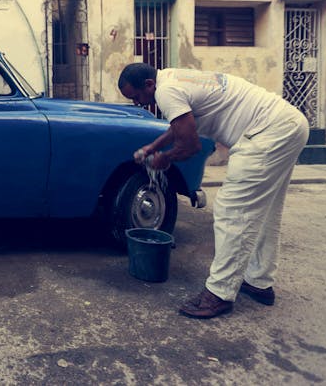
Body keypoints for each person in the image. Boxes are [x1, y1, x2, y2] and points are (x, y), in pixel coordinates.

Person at [118, 63, 309, 319]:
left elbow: (191, 145)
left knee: (232, 211)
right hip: (289, 123)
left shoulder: (166, 91)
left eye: (137, 97)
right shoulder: (174, 78)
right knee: (266, 212)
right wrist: (153, 146)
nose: (139, 103)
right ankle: (259, 282)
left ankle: (219, 293)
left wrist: (165, 159)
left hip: (267, 131)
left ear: (149, 85)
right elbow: (179, 127)